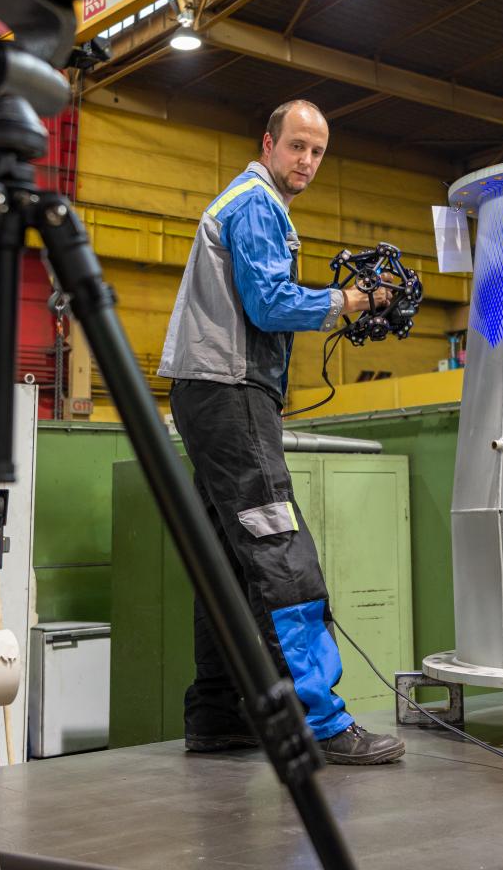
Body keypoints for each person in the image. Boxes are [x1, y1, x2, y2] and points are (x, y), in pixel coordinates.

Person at [159, 99, 405, 767]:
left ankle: (217, 713)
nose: (306, 161)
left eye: (317, 151)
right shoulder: (257, 204)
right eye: (296, 145)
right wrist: (350, 301)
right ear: (268, 142)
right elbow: (269, 301)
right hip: (232, 391)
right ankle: (320, 721)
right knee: (279, 547)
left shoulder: (245, 202)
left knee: (228, 559)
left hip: (207, 393)